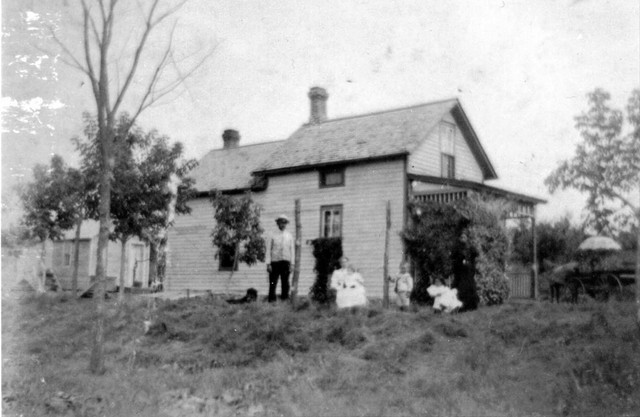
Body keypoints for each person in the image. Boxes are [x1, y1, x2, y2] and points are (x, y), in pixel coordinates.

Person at [266, 214, 295, 302]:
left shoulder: (289, 236)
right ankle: (271, 300)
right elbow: (268, 249)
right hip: (274, 262)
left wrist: (292, 264)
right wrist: (268, 264)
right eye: (281, 223)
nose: (283, 225)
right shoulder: (272, 234)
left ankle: (284, 299)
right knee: (273, 282)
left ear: (286, 224)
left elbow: (292, 250)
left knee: (285, 282)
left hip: (286, 262)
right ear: (277, 223)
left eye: (284, 223)